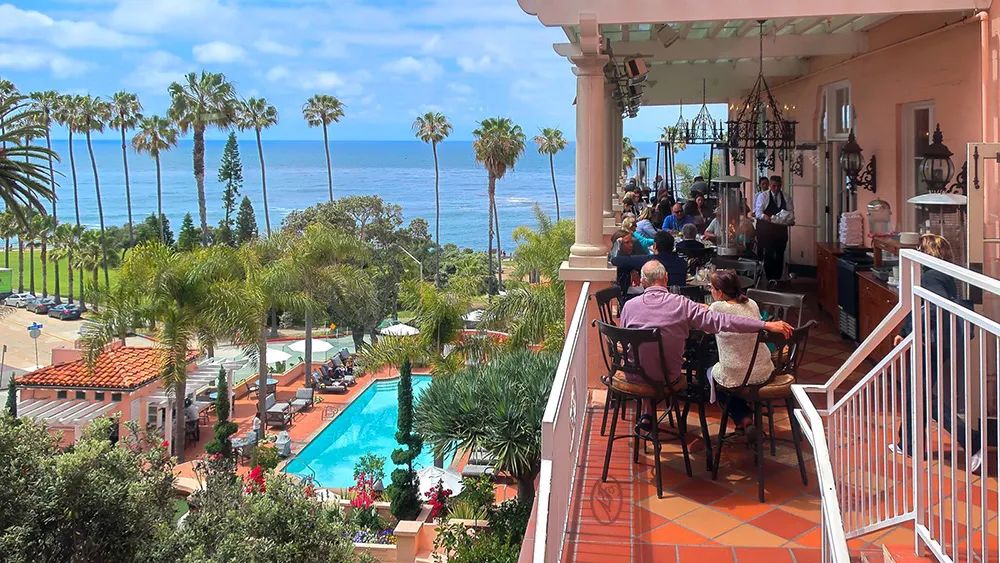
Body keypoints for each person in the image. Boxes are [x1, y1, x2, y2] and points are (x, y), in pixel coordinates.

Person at [618, 261, 793, 392]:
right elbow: (725, 321)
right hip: (668, 377)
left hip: (635, 375)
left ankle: (648, 414)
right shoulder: (682, 304)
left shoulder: (629, 306)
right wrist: (763, 324)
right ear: (666, 278)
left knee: (646, 356)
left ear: (642, 281)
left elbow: (624, 342)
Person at [889, 234, 982, 471]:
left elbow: (931, 307)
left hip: (929, 343)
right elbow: (921, 306)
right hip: (938, 342)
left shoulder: (931, 276)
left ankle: (971, 439)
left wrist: (911, 332)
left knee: (919, 395)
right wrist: (905, 330)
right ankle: (908, 443)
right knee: (915, 392)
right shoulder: (944, 274)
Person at [707, 270, 776, 440]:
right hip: (764, 370)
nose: (710, 291)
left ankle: (743, 418)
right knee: (732, 378)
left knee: (710, 376)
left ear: (719, 292)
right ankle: (744, 421)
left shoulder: (716, 308)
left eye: (711, 288)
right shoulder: (751, 303)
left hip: (738, 374)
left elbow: (707, 328)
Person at [611, 230, 687, 288]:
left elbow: (614, 260)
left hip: (654, 300)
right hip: (677, 299)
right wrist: (632, 269)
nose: (631, 245)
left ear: (654, 246)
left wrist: (617, 244)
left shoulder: (649, 262)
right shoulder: (682, 263)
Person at [754, 175, 793, 282]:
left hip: (781, 232)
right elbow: (758, 213)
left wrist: (789, 220)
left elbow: (790, 212)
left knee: (780, 254)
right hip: (766, 231)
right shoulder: (763, 196)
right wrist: (765, 217)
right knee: (769, 255)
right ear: (770, 185)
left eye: (778, 186)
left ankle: (777, 279)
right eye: (774, 186)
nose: (776, 188)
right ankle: (769, 279)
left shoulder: (786, 197)